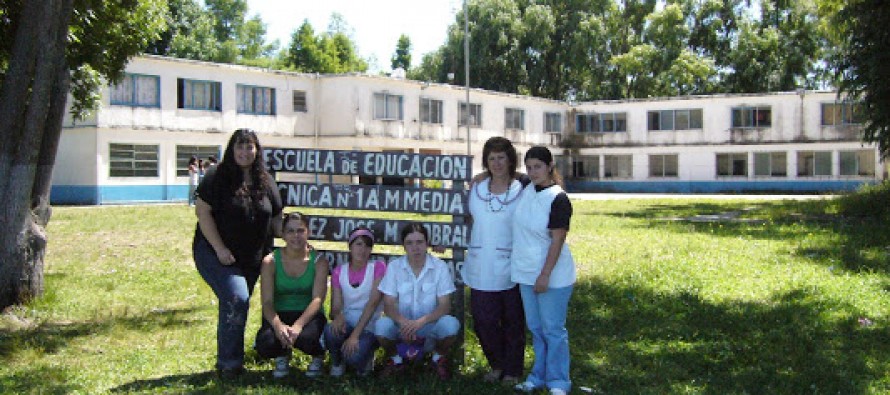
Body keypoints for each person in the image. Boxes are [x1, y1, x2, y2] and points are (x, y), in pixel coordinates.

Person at [192, 128, 282, 378]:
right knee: (236, 297)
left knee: (238, 303)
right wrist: (220, 249)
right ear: (232, 149)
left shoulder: (265, 180)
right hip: (214, 253)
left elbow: (275, 220)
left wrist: (297, 237)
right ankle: (229, 364)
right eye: (240, 147)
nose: (245, 152)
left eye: (250, 147)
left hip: (252, 258)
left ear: (257, 150)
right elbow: (202, 213)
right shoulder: (216, 176)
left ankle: (231, 358)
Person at [462, 136, 527, 385]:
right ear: (485, 162)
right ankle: (497, 364)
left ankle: (512, 370)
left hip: (512, 265)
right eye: (492, 158)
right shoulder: (476, 189)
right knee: (483, 322)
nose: (497, 163)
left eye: (502, 157)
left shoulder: (522, 188)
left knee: (513, 322)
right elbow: (464, 219)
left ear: (511, 160)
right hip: (480, 265)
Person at [511, 146, 576, 395]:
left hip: (552, 275)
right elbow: (503, 172)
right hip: (525, 272)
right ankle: (538, 376)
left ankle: (559, 381)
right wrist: (480, 176)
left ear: (550, 166)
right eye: (528, 167)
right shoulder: (528, 187)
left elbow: (557, 240)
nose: (532, 171)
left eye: (538, 166)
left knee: (553, 330)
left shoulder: (558, 198)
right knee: (536, 328)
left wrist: (545, 274)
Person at [374, 223, 460, 380]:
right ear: (404, 246)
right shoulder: (394, 267)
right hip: (402, 329)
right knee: (381, 326)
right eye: (410, 243)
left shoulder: (439, 267)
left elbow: (445, 306)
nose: (415, 247)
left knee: (451, 324)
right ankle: (396, 360)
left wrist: (421, 322)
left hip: (429, 329)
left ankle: (437, 358)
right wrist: (404, 323)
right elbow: (388, 305)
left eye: (420, 242)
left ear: (427, 244)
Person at [254, 212, 330, 379]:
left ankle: (318, 356)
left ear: (308, 232)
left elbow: (318, 300)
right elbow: (266, 302)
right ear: (283, 234)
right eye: (290, 231)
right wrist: (278, 326)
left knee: (308, 339)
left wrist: (298, 326)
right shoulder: (270, 261)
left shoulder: (319, 261)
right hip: (279, 313)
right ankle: (282, 355)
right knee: (265, 344)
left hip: (308, 315)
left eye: (300, 230)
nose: (296, 236)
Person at [322, 226, 387, 377]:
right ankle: (337, 363)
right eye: (358, 244)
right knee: (330, 331)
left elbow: (373, 304)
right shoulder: (339, 271)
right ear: (350, 247)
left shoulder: (378, 268)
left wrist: (355, 336)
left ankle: (365, 358)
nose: (362, 249)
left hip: (369, 325)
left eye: (367, 245)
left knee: (354, 357)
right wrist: (338, 316)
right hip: (348, 322)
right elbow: (335, 306)